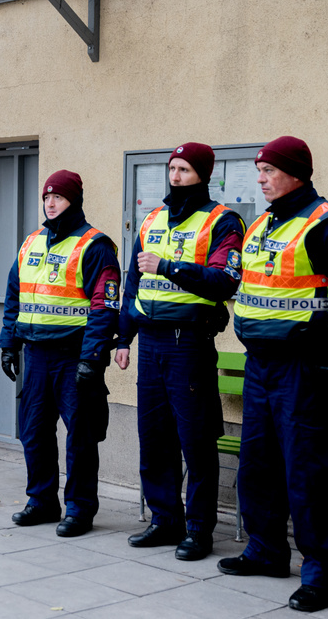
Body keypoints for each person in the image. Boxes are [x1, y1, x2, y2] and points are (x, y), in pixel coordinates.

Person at [217, 136, 328, 613]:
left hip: (301, 371)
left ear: (297, 174)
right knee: (258, 466)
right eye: (259, 170)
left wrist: (322, 344)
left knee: (305, 474)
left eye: (269, 170)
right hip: (260, 366)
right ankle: (267, 551)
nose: (261, 178)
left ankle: (322, 572)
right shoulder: (262, 226)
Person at [115, 142, 244, 561]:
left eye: (184, 170)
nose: (175, 176)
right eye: (171, 168)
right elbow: (133, 284)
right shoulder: (152, 219)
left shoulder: (222, 221)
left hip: (188, 343)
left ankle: (198, 530)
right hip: (151, 342)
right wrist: (123, 338)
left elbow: (224, 282)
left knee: (197, 441)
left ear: (202, 175)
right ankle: (163, 520)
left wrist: (169, 266)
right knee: (154, 439)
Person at [0, 169, 121, 538]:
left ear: (75, 201)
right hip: (35, 355)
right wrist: (8, 342)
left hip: (74, 356)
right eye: (47, 197)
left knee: (80, 437)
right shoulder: (32, 242)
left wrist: (92, 357)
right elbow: (14, 296)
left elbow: (105, 307)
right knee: (33, 432)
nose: (51, 203)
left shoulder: (95, 246)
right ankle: (41, 501)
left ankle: (80, 509)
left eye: (59, 197)